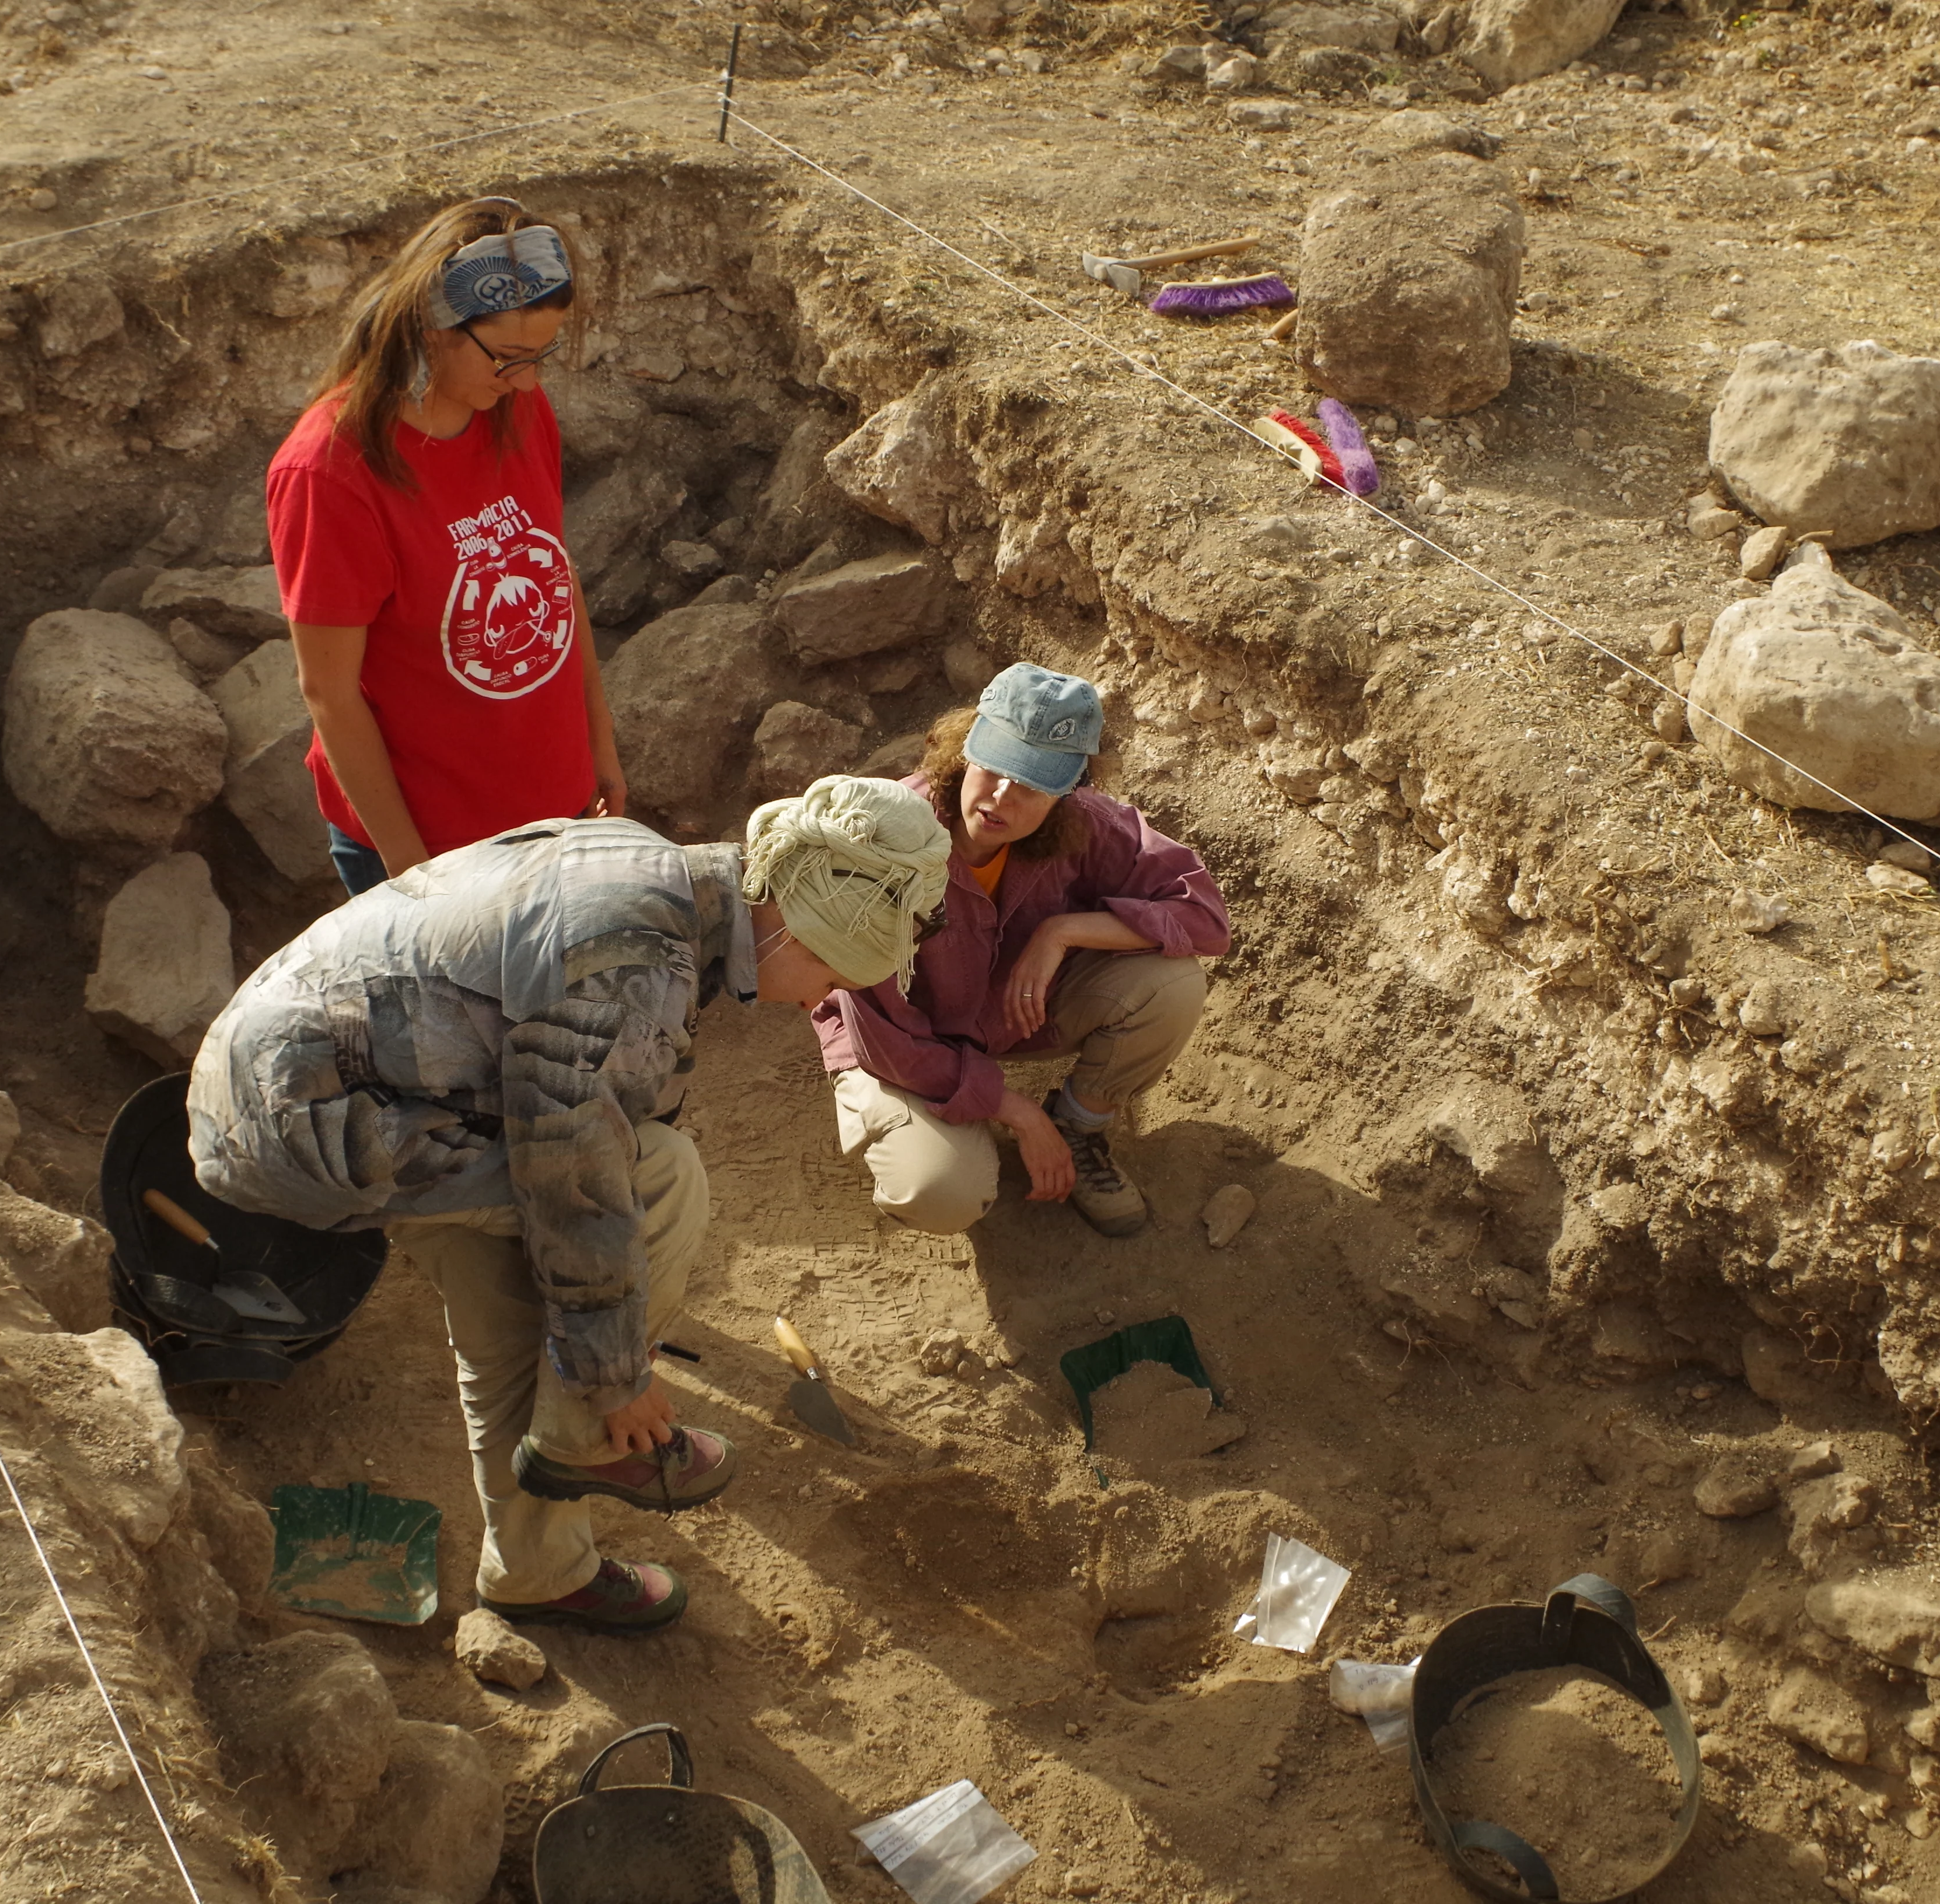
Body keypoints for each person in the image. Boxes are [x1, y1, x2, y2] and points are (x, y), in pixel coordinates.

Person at [189, 779, 950, 1633]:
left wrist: (600, 1327)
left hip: (340, 1086)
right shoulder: (632, 965)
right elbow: (574, 1177)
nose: (819, 1003)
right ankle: (584, 1437)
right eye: (833, 977)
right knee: (661, 1177)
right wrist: (614, 1376)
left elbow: (595, 1089)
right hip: (314, 1122)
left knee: (513, 1321)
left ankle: (537, 1574)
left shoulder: (662, 875)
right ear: (793, 929)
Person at [266, 195, 630, 898]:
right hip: (436, 850)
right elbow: (330, 695)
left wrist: (598, 748)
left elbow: (554, 579)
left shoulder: (514, 408)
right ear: (432, 328)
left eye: (542, 354)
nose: (528, 380)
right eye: (509, 358)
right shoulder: (329, 474)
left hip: (556, 813)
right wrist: (414, 878)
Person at [813, 664, 1230, 1238]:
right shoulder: (887, 838)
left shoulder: (1083, 824)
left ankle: (1079, 1129)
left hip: (1007, 1015)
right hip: (898, 1044)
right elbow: (883, 1037)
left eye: (1032, 783)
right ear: (965, 748)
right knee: (942, 1192)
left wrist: (1060, 932)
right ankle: (951, 1138)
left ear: (1069, 789)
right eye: (994, 766)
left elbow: (1204, 917)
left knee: (1171, 984)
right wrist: (1017, 1110)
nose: (1002, 797)